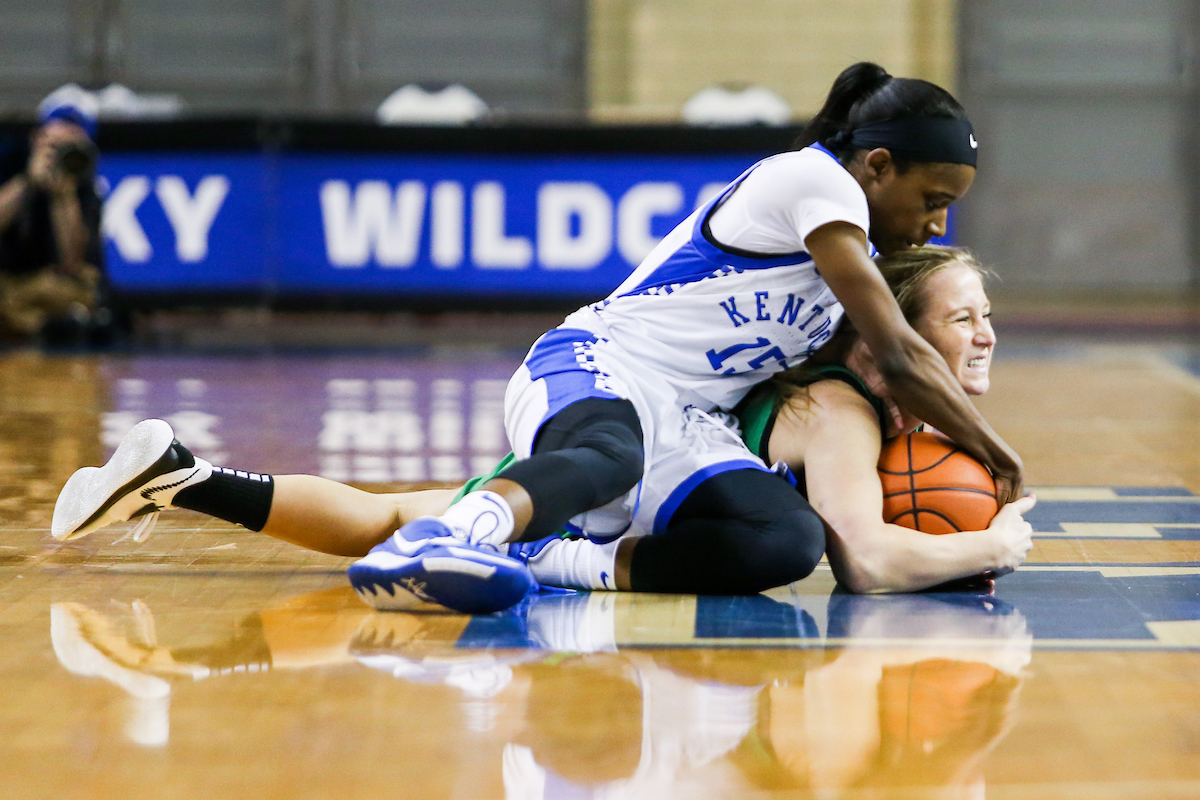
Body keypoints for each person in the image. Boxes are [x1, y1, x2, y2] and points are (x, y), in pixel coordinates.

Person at [53, 62, 1026, 613]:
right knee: (593, 456)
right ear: (879, 164)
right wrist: (993, 449)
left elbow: (884, 374)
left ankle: (181, 476)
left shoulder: (833, 301)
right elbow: (899, 349)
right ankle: (469, 536)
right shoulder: (810, 181)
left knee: (782, 537)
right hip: (601, 365)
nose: (937, 222)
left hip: (684, 427)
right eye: (933, 202)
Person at [51, 245, 1033, 599]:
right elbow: (865, 561)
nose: (986, 334)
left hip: (654, 464)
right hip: (644, 484)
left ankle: (180, 475)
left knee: (402, 514)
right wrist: (991, 540)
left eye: (987, 316)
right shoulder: (844, 411)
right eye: (965, 317)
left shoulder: (846, 385)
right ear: (897, 331)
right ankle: (549, 566)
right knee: (423, 518)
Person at [0, 88, 106, 345]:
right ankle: (40, 325)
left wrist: (63, 195)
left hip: (51, 285)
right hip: (8, 278)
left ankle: (37, 324)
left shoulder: (86, 187)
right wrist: (27, 182)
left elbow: (72, 262)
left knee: (80, 293)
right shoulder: (10, 161)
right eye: (55, 143)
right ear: (37, 137)